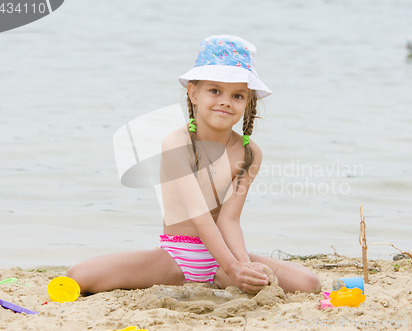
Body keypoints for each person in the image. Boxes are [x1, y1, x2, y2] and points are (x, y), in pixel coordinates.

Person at [67, 35, 321, 295]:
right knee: (78, 276)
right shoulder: (177, 143)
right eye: (214, 90)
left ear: (248, 103)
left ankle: (225, 276)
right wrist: (234, 267)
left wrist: (243, 266)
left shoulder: (249, 153)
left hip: (222, 263)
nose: (225, 101)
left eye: (237, 95)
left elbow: (229, 221)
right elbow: (199, 215)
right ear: (193, 93)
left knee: (309, 283)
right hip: (175, 258)